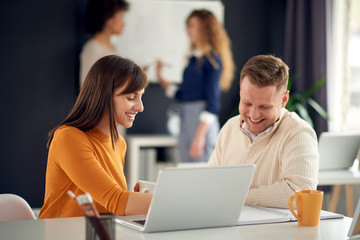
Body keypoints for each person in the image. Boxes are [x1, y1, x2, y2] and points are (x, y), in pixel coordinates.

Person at [39, 55, 152, 218]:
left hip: (99, 231)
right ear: (103, 95)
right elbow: (115, 200)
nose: (140, 107)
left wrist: (138, 198)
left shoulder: (119, 143)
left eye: (141, 97)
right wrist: (172, 202)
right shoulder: (68, 138)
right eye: (131, 98)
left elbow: (110, 204)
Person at [208, 55, 319, 208]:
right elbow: (210, 182)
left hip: (276, 231)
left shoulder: (298, 134)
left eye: (264, 107)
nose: (254, 114)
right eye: (247, 103)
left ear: (284, 100)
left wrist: (237, 195)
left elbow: (299, 194)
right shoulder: (229, 128)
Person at [156, 9, 235, 163]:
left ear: (204, 29)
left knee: (202, 173)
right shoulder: (193, 60)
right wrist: (160, 76)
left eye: (192, 26)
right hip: (187, 120)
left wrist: (199, 137)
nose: (188, 30)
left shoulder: (211, 60)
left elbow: (212, 103)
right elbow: (183, 94)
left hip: (200, 125)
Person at [79, 0, 129, 86]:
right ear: (108, 19)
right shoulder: (93, 49)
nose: (124, 23)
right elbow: (86, 87)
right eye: (121, 17)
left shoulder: (113, 47)